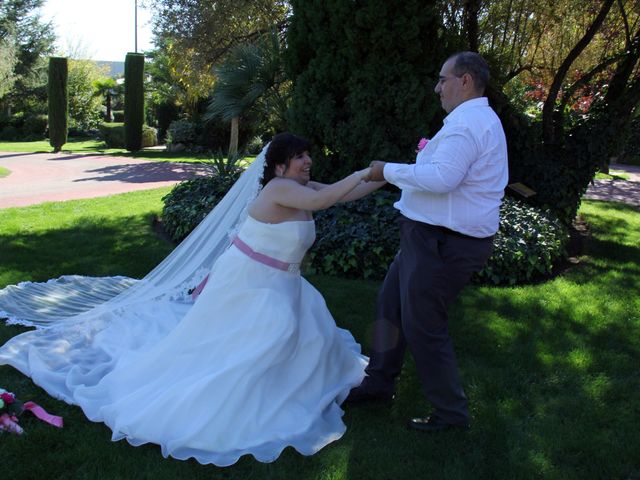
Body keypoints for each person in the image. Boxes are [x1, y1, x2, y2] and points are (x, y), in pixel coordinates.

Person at [0, 132, 385, 466]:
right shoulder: (279, 190)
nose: (308, 161)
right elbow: (328, 198)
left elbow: (343, 196)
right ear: (281, 165)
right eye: (300, 156)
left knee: (303, 333)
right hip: (252, 282)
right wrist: (361, 172)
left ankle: (289, 384)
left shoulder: (301, 189)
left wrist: (389, 176)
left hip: (283, 282)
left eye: (307, 155)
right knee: (263, 338)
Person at [346, 51, 509, 432]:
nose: (437, 88)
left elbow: (441, 179)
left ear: (465, 81)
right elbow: (440, 173)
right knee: (390, 306)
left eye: (443, 79)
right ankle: (379, 384)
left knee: (423, 325)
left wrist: (385, 170)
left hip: (444, 243)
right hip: (427, 237)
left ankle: (450, 415)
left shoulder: (468, 124)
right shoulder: (469, 119)